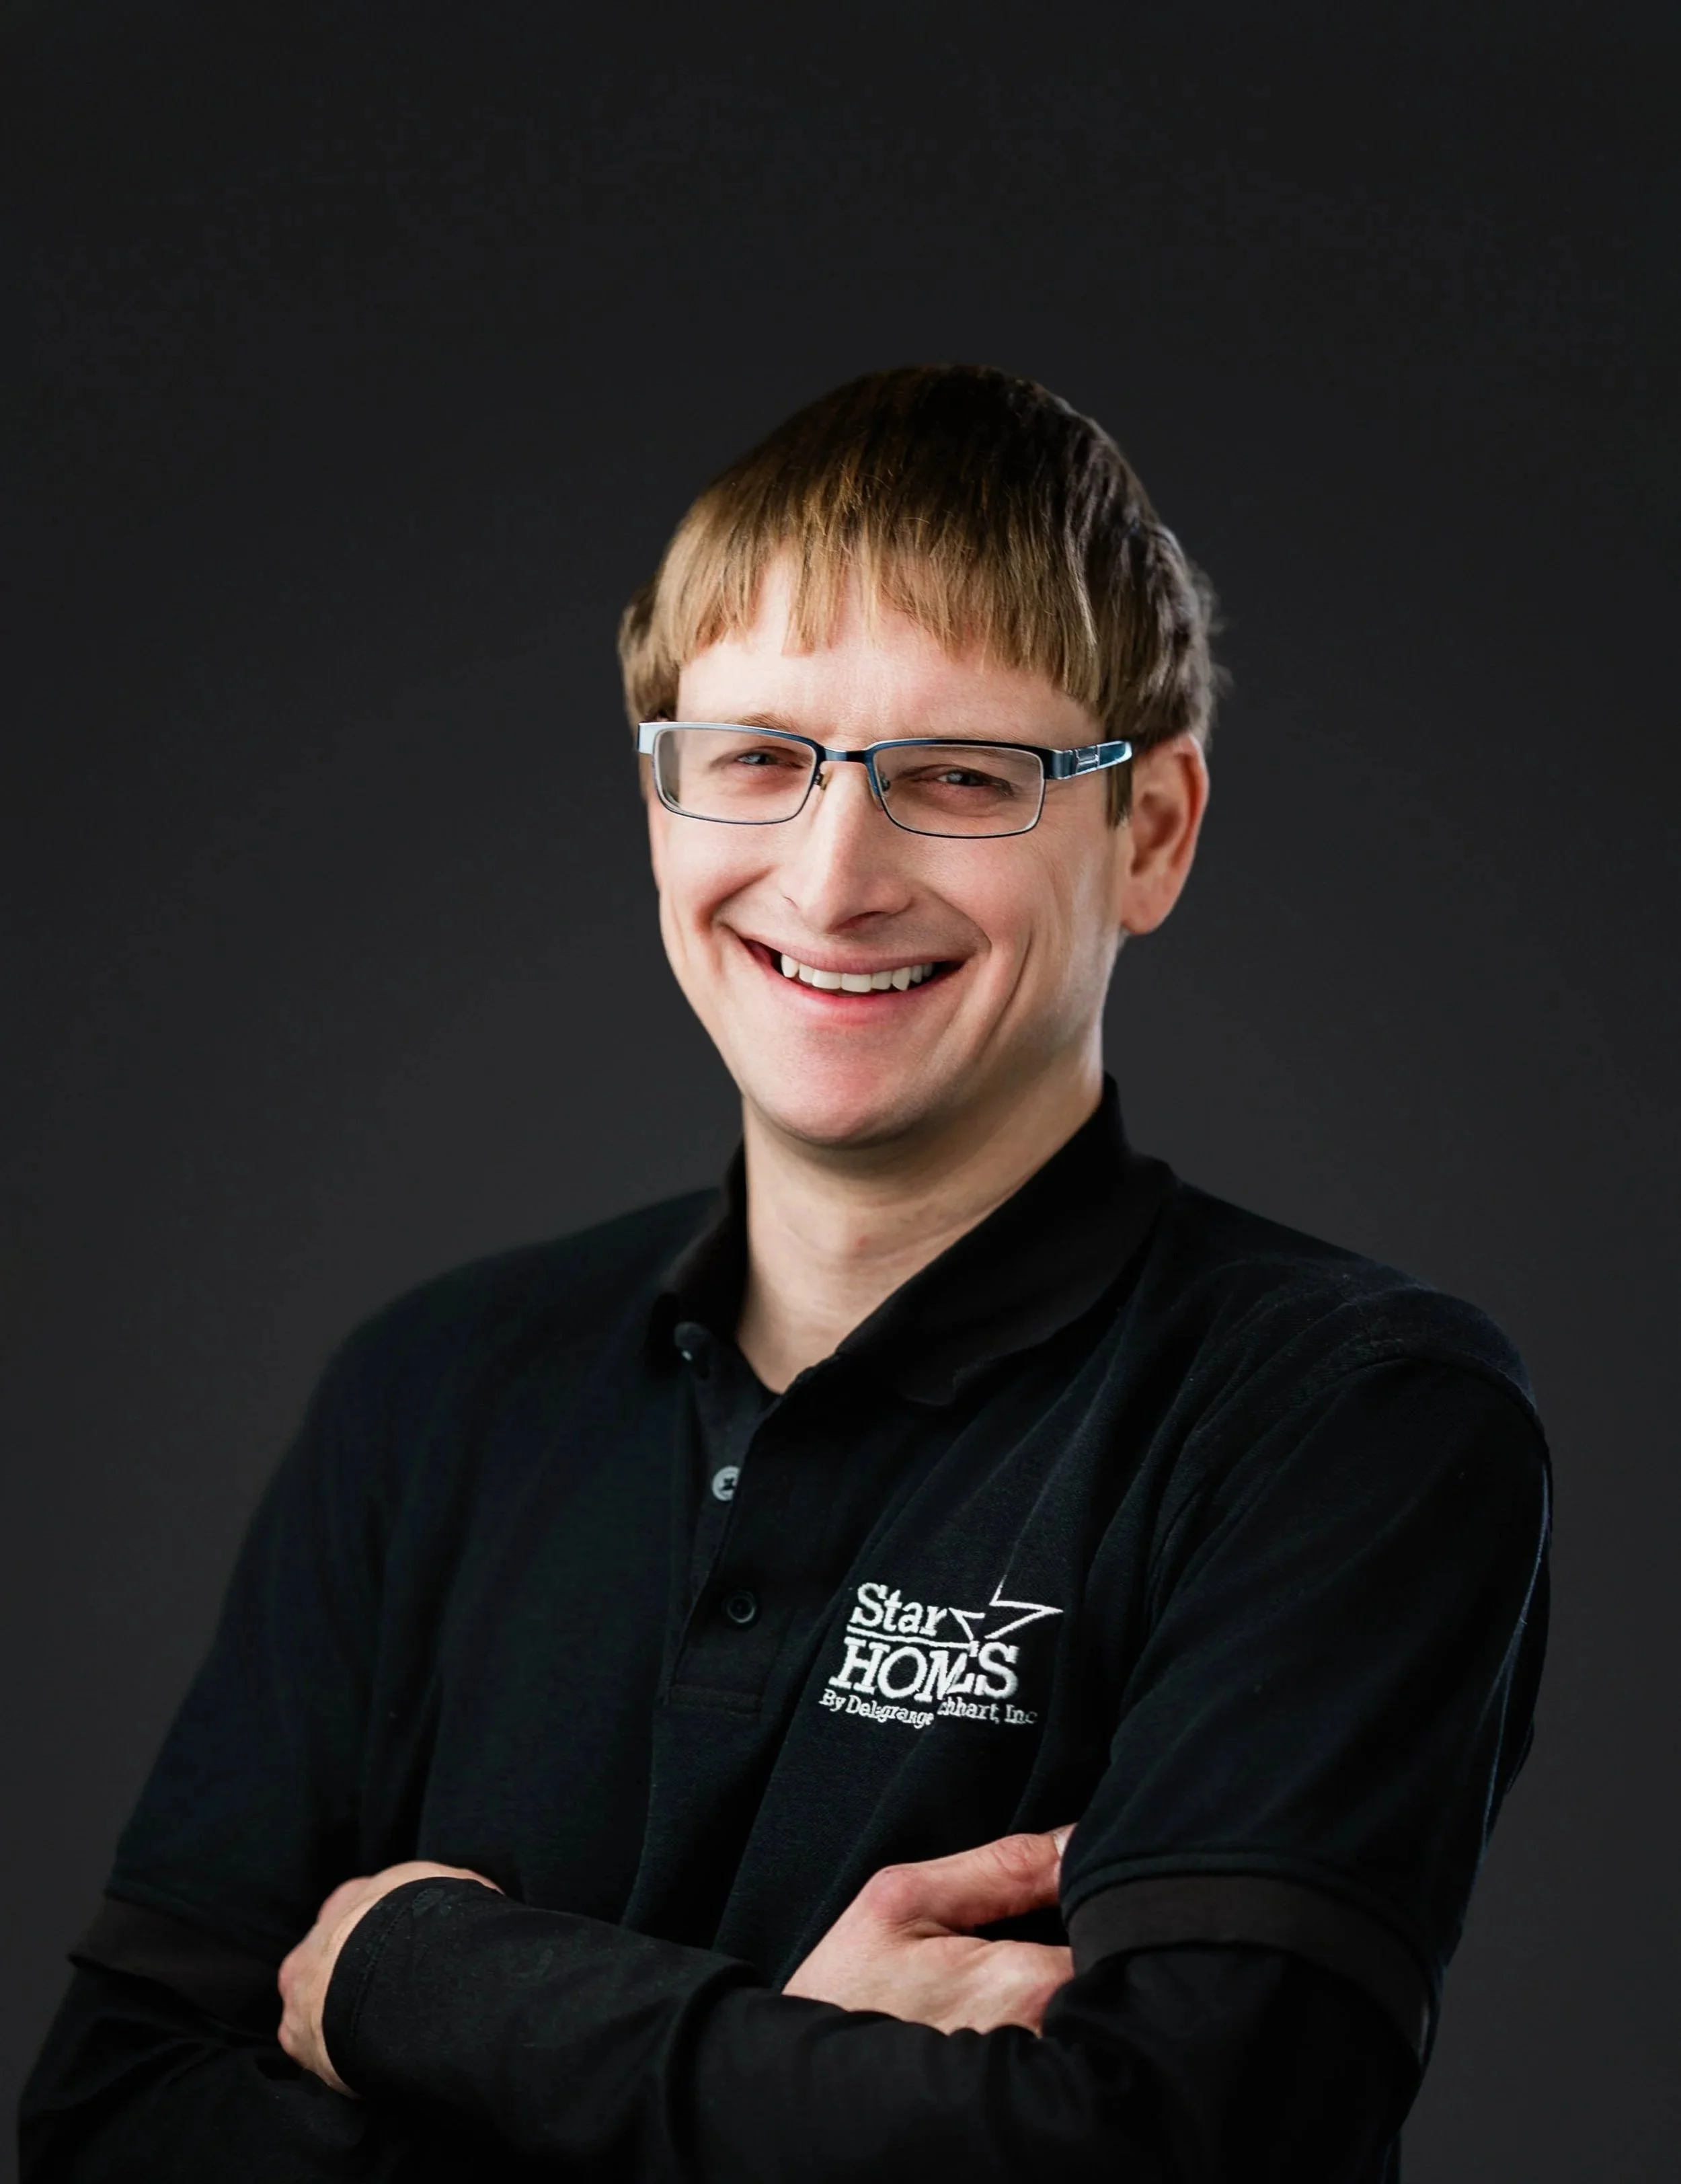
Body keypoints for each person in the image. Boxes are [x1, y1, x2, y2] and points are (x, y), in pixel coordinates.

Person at [19, 365, 1549, 2183]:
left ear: (1148, 832)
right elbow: (110, 2123)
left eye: (957, 777)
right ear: (659, 796)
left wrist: (421, 1982)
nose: (830, 884)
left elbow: (1166, 2156)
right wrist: (787, 2087)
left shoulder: (1336, 1423)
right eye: (753, 759)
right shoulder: (432, 1389)